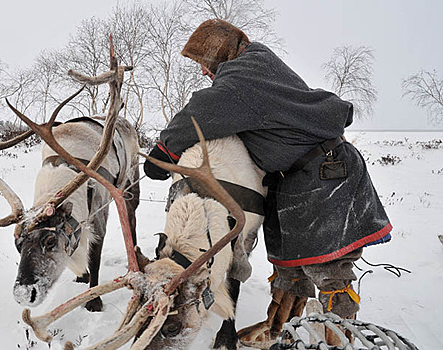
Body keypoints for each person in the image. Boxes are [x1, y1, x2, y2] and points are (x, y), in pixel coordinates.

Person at [144, 19, 392, 347]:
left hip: (324, 175)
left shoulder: (240, 81)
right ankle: (282, 331)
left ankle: (340, 337)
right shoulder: (258, 63)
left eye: (205, 63)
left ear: (220, 55)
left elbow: (201, 112)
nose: (204, 72)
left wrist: (162, 153)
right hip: (303, 176)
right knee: (291, 268)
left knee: (330, 271)